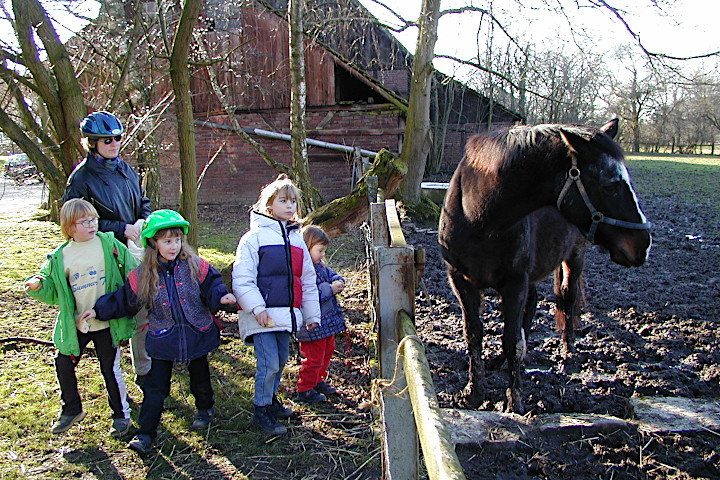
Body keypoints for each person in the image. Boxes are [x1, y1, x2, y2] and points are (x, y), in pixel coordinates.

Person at [79, 209, 237, 455]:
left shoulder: (196, 265)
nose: (173, 246)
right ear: (153, 242)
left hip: (196, 332)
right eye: (166, 241)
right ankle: (145, 434)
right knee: (155, 388)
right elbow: (123, 300)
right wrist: (99, 311)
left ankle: (205, 409)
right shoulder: (143, 274)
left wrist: (222, 297)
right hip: (163, 336)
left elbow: (213, 285)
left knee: (200, 378)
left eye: (177, 240)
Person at [24, 198, 137, 437]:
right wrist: (36, 285)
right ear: (69, 227)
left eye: (93, 219)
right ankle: (71, 409)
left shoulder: (108, 243)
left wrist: (141, 287)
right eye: (84, 221)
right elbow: (49, 283)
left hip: (107, 323)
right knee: (63, 362)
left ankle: (121, 416)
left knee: (110, 368)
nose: (91, 224)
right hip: (78, 324)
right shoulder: (61, 255)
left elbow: (132, 268)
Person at [64, 111, 153, 387]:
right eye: (107, 140)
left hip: (133, 252)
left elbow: (143, 200)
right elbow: (76, 220)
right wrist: (119, 228)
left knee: (142, 308)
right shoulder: (81, 178)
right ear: (91, 143)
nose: (114, 143)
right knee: (110, 316)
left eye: (117, 138)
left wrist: (142, 218)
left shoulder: (124, 168)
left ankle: (145, 370)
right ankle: (114, 382)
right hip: (103, 257)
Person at [232, 174, 321, 436]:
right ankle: (261, 410)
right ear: (269, 204)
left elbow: (307, 279)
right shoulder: (253, 239)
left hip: (286, 315)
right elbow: (242, 279)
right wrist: (257, 309)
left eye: (293, 201)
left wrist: (310, 314)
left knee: (280, 360)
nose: (290, 206)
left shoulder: (296, 240)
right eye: (284, 200)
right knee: (269, 362)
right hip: (261, 316)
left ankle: (270, 400)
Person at [295, 226, 347, 402]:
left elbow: (331, 274)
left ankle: (318, 379)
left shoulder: (319, 266)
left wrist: (337, 280)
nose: (323, 254)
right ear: (307, 247)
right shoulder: (301, 270)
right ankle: (305, 388)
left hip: (327, 323)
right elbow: (309, 294)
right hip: (312, 324)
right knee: (313, 357)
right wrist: (330, 289)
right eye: (320, 250)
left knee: (327, 352)